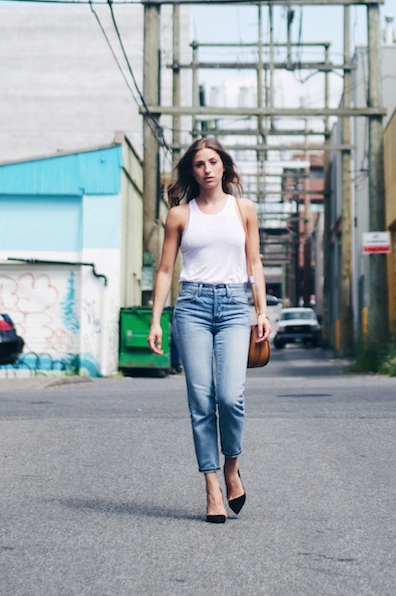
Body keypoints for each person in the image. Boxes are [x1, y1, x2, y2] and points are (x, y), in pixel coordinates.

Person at [147, 136, 271, 523]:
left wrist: (262, 310)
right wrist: (156, 318)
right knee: (201, 402)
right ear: (193, 171)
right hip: (193, 308)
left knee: (230, 396)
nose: (207, 169)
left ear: (224, 166)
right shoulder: (180, 215)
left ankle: (231, 465)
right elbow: (166, 269)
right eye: (199, 164)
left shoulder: (244, 209)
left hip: (235, 306)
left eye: (213, 162)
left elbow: (254, 262)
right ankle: (212, 487)